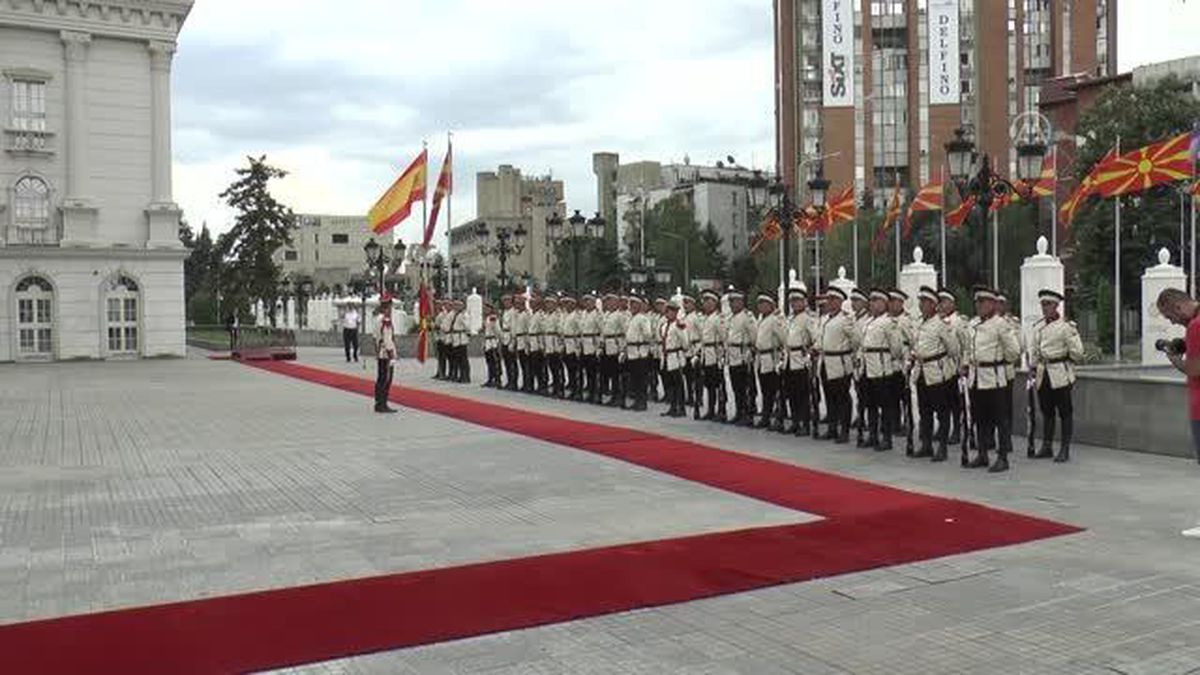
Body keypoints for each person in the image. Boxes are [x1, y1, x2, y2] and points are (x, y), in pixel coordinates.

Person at [963, 287, 1021, 473]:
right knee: (980, 418)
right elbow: (968, 348)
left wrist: (1000, 362)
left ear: (992, 304)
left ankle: (1002, 457)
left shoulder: (1001, 324)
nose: (979, 305)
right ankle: (982, 454)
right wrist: (966, 364)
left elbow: (1013, 351)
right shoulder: (972, 324)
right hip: (976, 377)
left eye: (983, 302)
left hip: (994, 378)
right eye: (977, 302)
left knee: (1000, 419)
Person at [1030, 289, 1084, 462]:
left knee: (1065, 412)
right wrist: (1033, 365)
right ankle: (1047, 446)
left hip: (1060, 373)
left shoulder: (1066, 327)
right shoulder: (1038, 327)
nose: (1045, 308)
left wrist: (1065, 360)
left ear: (1056, 306)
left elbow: (1078, 353)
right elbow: (1035, 350)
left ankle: (1064, 448)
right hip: (1043, 373)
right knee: (1047, 411)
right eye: (1043, 304)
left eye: (1048, 304)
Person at [913, 286, 960, 461]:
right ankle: (926, 444)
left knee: (942, 411)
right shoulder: (919, 323)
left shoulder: (941, 324)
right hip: (921, 372)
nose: (921, 305)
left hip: (937, 372)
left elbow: (953, 349)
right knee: (924, 411)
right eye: (920, 301)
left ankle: (942, 447)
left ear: (934, 305)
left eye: (925, 302)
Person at [1158, 287, 1200, 460]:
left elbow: (1195, 371)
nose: (1173, 323)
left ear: (1177, 307)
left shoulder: (1195, 326)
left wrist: (1174, 358)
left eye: (1170, 317)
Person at [860, 289, 903, 451]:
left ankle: (886, 438)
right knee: (870, 404)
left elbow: (896, 348)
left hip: (881, 368)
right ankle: (872, 435)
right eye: (871, 300)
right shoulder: (869, 322)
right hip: (868, 367)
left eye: (875, 300)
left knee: (885, 405)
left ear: (884, 303)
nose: (871, 303)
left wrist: (885, 359)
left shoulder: (889, 322)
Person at [819, 287, 859, 444]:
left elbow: (856, 340)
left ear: (840, 302)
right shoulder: (824, 319)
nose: (829, 302)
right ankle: (832, 427)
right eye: (829, 299)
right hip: (826, 361)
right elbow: (820, 337)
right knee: (829, 397)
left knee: (842, 397)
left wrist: (849, 352)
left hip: (840, 363)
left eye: (833, 299)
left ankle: (844, 430)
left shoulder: (846, 319)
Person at [783, 286, 814, 436]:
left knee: (802, 394)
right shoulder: (789, 319)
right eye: (792, 301)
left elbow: (815, 338)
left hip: (800, 360)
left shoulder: (807, 319)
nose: (794, 304)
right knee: (791, 393)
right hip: (789, 359)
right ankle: (795, 421)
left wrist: (808, 351)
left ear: (804, 302)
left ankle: (805, 423)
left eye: (797, 300)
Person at [725, 288, 755, 426]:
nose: (732, 304)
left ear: (741, 302)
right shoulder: (731, 318)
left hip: (743, 356)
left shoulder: (747, 317)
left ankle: (747, 414)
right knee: (736, 387)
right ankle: (739, 411)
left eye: (734, 301)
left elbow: (753, 336)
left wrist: (750, 352)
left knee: (744, 387)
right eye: (730, 302)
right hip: (733, 356)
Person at [698, 290, 727, 421]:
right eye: (704, 301)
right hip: (707, 354)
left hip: (715, 355)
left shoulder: (718, 319)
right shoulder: (705, 318)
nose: (706, 304)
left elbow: (723, 338)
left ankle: (722, 410)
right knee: (709, 385)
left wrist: (721, 356)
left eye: (708, 301)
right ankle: (711, 409)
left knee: (719, 385)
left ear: (715, 303)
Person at [624, 294, 654, 411]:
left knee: (641, 379)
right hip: (631, 352)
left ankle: (642, 402)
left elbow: (648, 335)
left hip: (640, 352)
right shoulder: (631, 318)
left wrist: (641, 342)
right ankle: (637, 400)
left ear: (640, 305)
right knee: (635, 378)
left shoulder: (643, 318)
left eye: (634, 304)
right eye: (631, 303)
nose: (632, 306)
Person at [661, 299, 689, 417]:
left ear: (676, 312)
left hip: (676, 357)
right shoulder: (664, 326)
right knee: (670, 384)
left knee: (678, 384)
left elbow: (685, 342)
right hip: (667, 357)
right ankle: (673, 407)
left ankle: (681, 408)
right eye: (667, 311)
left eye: (671, 311)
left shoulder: (679, 325)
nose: (669, 314)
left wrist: (681, 351)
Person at [373, 293, 398, 414]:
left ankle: (378, 403)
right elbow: (388, 339)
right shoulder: (386, 320)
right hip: (386, 353)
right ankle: (383, 404)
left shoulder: (377, 319)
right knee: (386, 379)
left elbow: (375, 337)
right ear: (388, 306)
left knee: (380, 378)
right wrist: (392, 355)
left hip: (380, 352)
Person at [482, 302, 501, 387]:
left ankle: (497, 379)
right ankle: (490, 378)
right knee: (489, 362)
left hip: (492, 341)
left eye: (487, 308)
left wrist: (498, 340)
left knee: (495, 361)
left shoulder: (493, 318)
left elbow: (497, 330)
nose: (486, 310)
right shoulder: (486, 318)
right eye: (485, 309)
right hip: (487, 342)